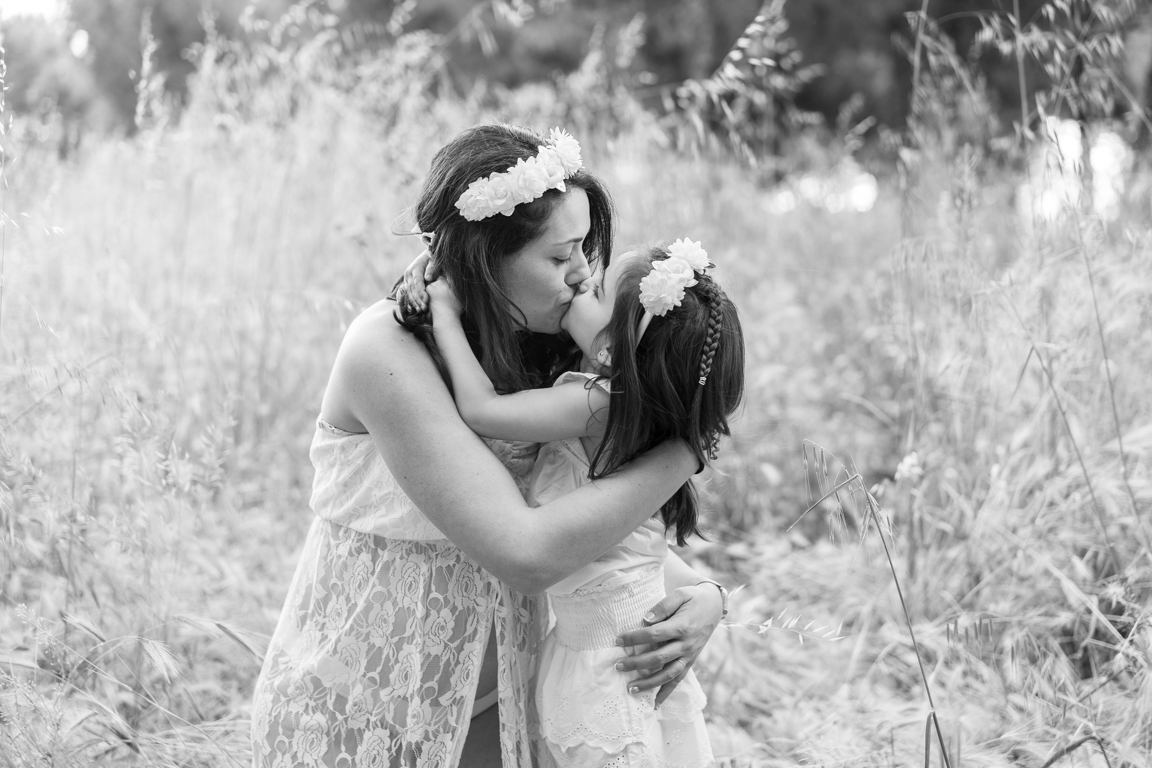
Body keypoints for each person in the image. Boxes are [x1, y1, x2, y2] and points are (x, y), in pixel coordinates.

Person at [250, 124, 728, 768]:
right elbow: (525, 550)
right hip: (359, 711)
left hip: (493, 709)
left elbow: (583, 518)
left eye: (585, 249)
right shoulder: (384, 351)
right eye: (559, 257)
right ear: (483, 259)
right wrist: (686, 447)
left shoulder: (545, 350)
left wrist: (703, 595)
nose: (582, 275)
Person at [425, 237, 744, 768]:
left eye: (596, 290)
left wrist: (444, 312)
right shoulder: (634, 413)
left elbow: (480, 409)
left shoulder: (599, 401)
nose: (580, 278)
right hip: (601, 650)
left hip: (605, 662)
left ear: (612, 349)